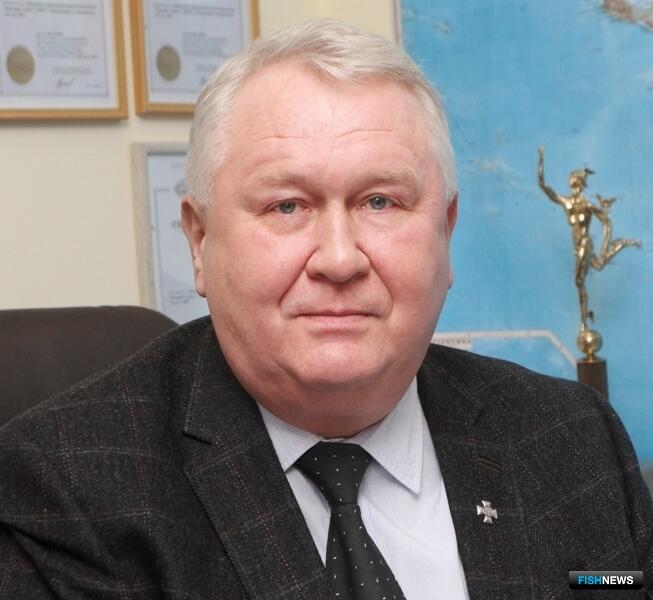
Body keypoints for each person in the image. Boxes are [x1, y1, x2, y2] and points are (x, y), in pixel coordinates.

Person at [1, 20, 651, 600]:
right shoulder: (72, 487)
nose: (339, 260)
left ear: (446, 232)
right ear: (199, 242)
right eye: (287, 206)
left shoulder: (570, 436)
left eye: (380, 202)